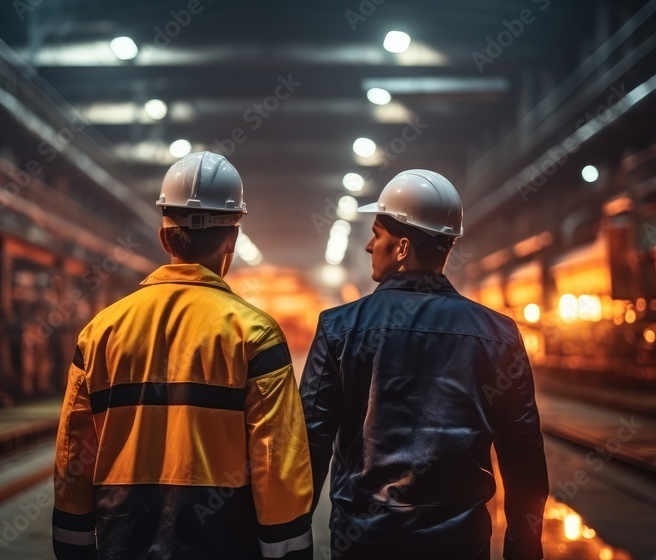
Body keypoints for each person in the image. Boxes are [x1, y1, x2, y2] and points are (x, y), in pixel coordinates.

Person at [53, 151, 314, 560]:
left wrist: (73, 542)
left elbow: (73, 451)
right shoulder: (255, 335)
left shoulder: (100, 331)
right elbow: (277, 459)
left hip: (123, 538)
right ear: (232, 239)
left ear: (163, 237)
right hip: (223, 540)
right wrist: (287, 548)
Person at [301, 169, 549, 560]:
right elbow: (524, 455)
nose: (368, 246)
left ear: (401, 247)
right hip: (460, 543)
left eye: (376, 234)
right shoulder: (497, 335)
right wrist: (524, 545)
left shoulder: (339, 328)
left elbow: (310, 444)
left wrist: (294, 537)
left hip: (363, 541)